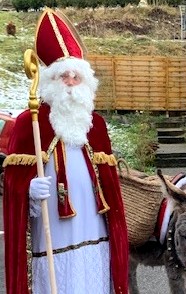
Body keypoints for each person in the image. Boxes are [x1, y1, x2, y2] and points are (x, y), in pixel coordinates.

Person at [3, 8, 129, 294]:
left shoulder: (95, 124)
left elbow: (111, 189)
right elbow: (11, 186)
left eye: (76, 76)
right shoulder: (29, 124)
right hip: (52, 241)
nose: (71, 82)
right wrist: (28, 190)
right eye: (64, 76)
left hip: (96, 233)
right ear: (49, 80)